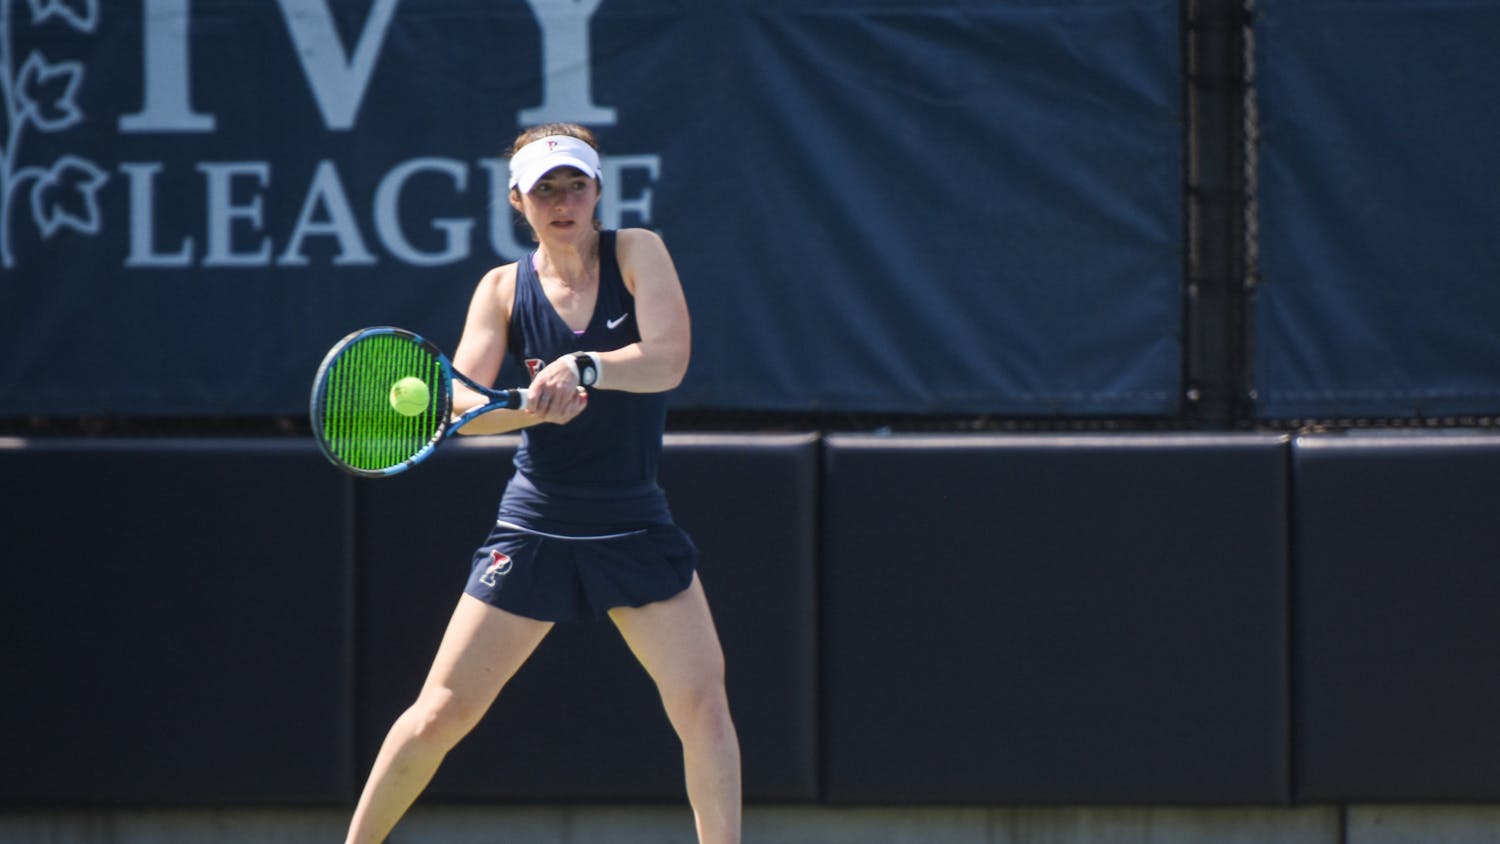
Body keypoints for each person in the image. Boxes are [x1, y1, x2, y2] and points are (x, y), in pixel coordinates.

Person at [344, 123, 741, 844]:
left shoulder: (638, 253)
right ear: (518, 202)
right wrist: (525, 409)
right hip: (535, 527)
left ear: (597, 191)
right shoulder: (500, 289)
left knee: (703, 708)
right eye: (545, 189)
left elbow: (668, 360)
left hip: (633, 523)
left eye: (576, 185)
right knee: (441, 712)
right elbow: (462, 409)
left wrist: (585, 366)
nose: (563, 202)